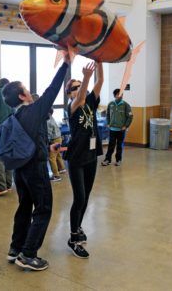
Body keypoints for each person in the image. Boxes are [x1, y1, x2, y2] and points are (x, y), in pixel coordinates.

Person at [2, 58, 69, 271]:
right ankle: (28, 254)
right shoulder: (34, 110)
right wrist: (66, 64)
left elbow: (29, 139)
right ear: (22, 96)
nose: (30, 92)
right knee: (43, 208)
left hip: (19, 169)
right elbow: (53, 89)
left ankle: (16, 248)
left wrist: (47, 148)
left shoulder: (16, 116)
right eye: (27, 90)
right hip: (35, 169)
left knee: (24, 206)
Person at [64, 61, 104, 259]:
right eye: (74, 87)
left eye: (80, 85)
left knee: (86, 196)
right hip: (76, 157)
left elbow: (101, 80)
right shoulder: (72, 106)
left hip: (91, 156)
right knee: (79, 197)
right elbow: (80, 98)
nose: (79, 89)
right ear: (69, 93)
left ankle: (78, 226)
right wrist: (86, 77)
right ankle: (73, 239)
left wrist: (100, 61)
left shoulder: (91, 102)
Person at [101, 88, 133, 167]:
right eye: (119, 94)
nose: (121, 95)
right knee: (111, 145)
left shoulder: (126, 105)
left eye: (122, 94)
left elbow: (130, 116)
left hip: (121, 130)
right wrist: (108, 123)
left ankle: (118, 160)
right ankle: (107, 160)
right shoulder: (111, 104)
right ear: (115, 95)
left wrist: (125, 126)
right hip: (112, 129)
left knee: (119, 146)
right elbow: (107, 115)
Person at [47, 107, 66, 181]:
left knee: (51, 158)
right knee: (57, 154)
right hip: (59, 138)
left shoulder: (47, 120)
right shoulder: (51, 117)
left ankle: (56, 176)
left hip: (54, 140)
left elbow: (48, 133)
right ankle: (62, 168)